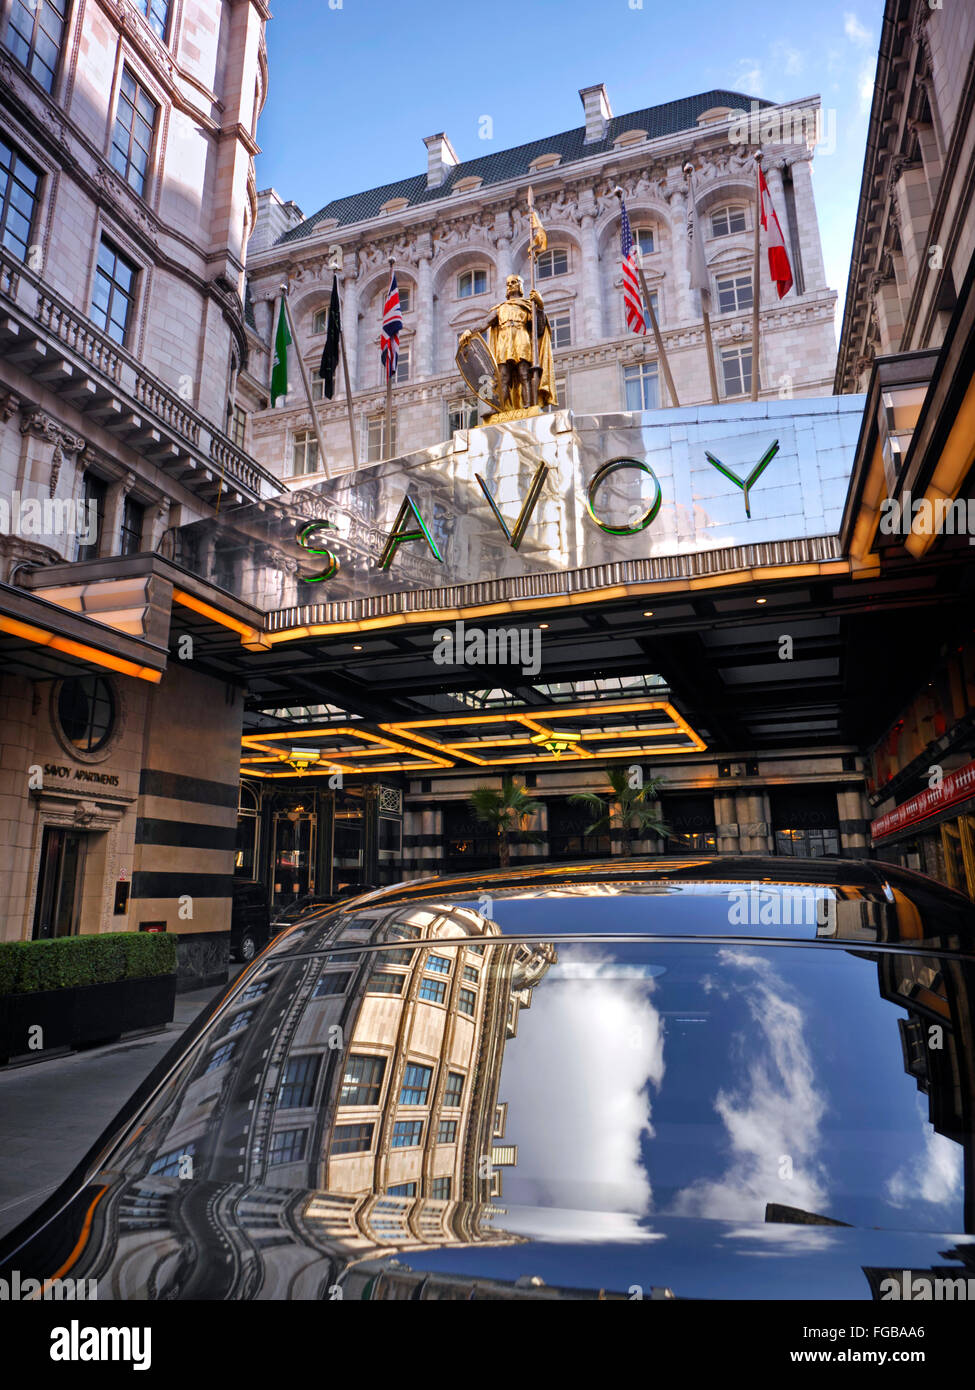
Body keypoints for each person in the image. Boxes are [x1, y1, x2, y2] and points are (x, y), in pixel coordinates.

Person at [460, 274, 556, 412]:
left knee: (524, 374)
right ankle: (498, 409)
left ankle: (528, 406)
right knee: (502, 377)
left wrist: (540, 307)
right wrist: (470, 330)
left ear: (520, 285)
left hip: (521, 338)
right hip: (504, 342)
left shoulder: (527, 306)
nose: (510, 285)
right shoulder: (501, 308)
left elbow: (539, 329)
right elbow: (484, 323)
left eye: (514, 282)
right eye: (508, 283)